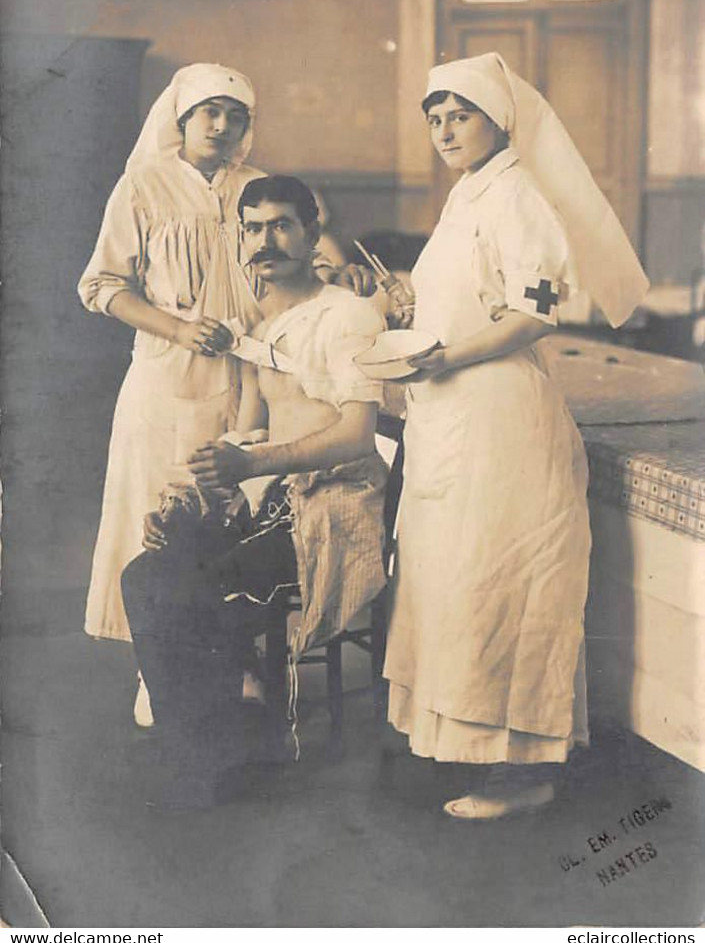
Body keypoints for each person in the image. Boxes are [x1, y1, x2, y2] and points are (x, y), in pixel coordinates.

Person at [383, 52, 649, 820]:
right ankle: (468, 745)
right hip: (453, 413)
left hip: (501, 418)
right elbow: (471, 298)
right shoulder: (467, 196)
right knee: (455, 581)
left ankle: (523, 771)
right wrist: (412, 313)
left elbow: (531, 315)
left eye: (457, 116)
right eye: (433, 120)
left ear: (497, 119)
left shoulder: (518, 196)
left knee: (497, 582)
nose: (443, 131)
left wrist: (438, 354)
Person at [78, 65, 375, 662]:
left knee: (230, 516)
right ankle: (156, 666)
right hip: (169, 378)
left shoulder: (255, 183)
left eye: (234, 115)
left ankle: (228, 664)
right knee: (162, 513)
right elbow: (101, 285)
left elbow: (288, 258)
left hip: (251, 374)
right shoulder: (142, 186)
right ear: (181, 119)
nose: (221, 125)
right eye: (208, 112)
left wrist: (339, 273)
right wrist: (181, 329)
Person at [121, 175, 389, 807]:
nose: (265, 240)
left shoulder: (346, 316)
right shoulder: (251, 325)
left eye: (281, 225)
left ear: (312, 233)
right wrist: (186, 502)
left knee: (199, 581)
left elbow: (357, 436)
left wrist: (253, 464)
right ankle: (221, 729)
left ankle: (233, 740)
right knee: (146, 572)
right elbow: (246, 431)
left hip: (333, 507)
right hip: (269, 501)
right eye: (253, 227)